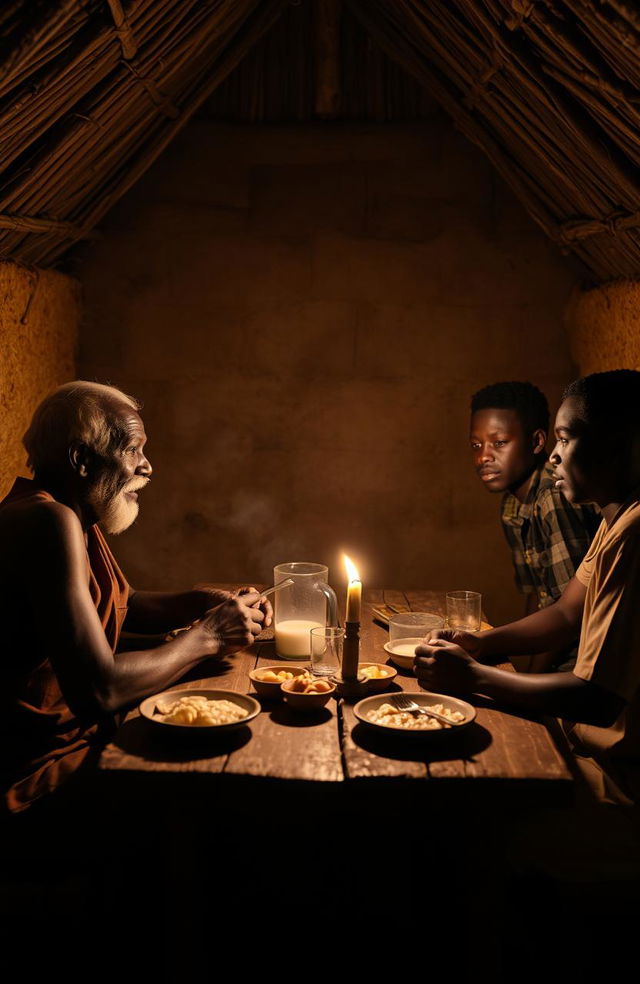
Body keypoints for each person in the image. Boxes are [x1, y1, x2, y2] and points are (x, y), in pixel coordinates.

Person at [0, 381, 272, 814]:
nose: (147, 467)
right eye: (134, 450)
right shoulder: (46, 520)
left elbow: (114, 607)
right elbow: (99, 689)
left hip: (70, 743)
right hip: (32, 771)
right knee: (218, 785)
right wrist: (211, 636)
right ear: (81, 459)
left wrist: (198, 602)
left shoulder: (69, 514)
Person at [417, 369, 640, 809]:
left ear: (615, 447)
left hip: (617, 778)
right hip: (579, 737)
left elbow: (596, 699)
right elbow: (564, 613)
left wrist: (476, 676)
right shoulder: (614, 519)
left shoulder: (634, 534)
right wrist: (481, 641)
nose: (554, 458)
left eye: (565, 439)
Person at [470, 380, 599, 670]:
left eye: (499, 442)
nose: (483, 457)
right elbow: (541, 597)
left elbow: (570, 614)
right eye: (476, 445)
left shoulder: (553, 495)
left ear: (537, 442)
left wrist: (532, 676)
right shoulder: (514, 504)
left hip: (583, 659)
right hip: (556, 646)